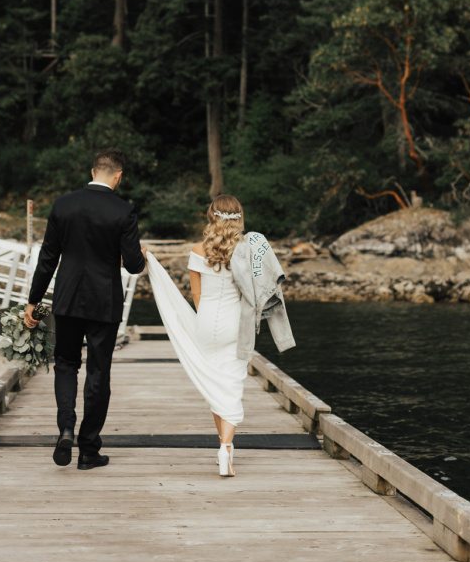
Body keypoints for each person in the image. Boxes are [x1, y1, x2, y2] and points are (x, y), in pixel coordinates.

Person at [146, 194, 294, 478]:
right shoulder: (247, 248)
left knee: (215, 384)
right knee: (231, 384)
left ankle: (224, 446)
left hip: (206, 323)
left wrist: (206, 323)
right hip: (235, 323)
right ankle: (225, 448)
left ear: (211, 215)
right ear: (239, 217)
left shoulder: (198, 249)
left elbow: (197, 295)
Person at [24, 148, 146, 470]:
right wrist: (140, 255)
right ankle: (89, 451)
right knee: (98, 372)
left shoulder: (63, 205)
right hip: (104, 304)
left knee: (65, 363)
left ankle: (66, 425)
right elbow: (134, 266)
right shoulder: (124, 211)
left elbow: (48, 258)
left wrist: (33, 302)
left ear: (93, 172)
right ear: (118, 176)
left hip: (66, 299)